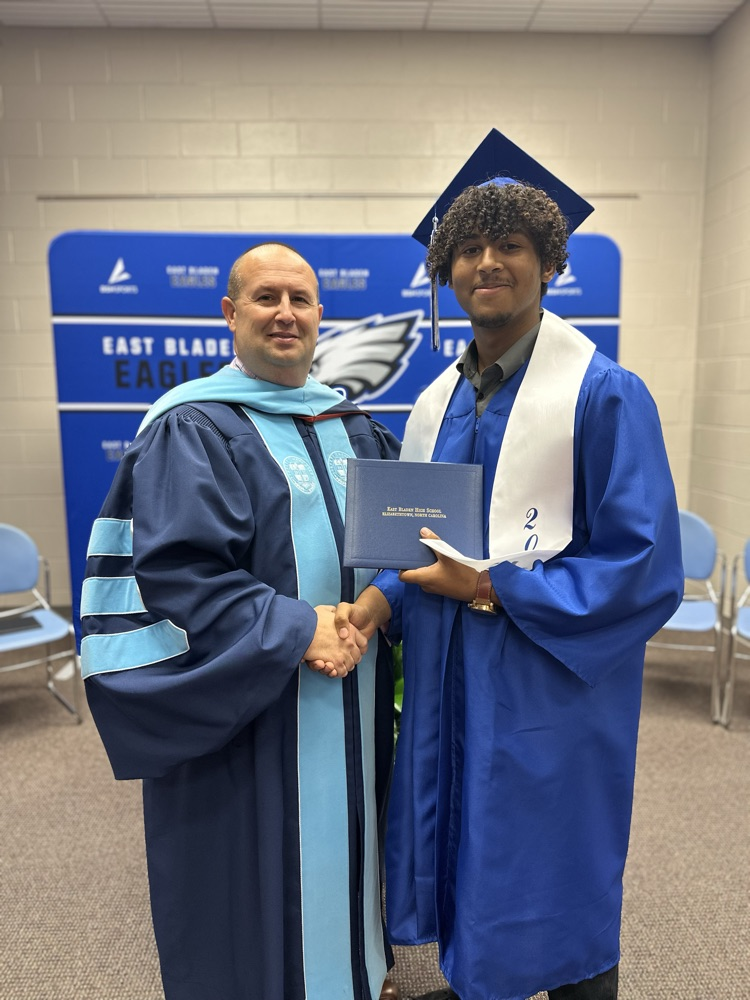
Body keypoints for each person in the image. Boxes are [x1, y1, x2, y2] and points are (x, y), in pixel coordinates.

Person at [333, 131, 684, 1000]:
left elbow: (643, 567)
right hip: (451, 674)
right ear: (446, 271)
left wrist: (491, 586)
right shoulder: (436, 402)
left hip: (551, 684)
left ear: (548, 263)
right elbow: (419, 545)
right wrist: (376, 605)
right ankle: (477, 974)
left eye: (511, 245)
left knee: (556, 854)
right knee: (466, 834)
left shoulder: (604, 394)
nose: (487, 261)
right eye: (468, 248)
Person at [79, 242, 403, 1000]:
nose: (285, 312)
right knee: (246, 874)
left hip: (352, 694)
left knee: (352, 845)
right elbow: (178, 570)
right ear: (230, 314)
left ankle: (356, 973)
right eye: (266, 298)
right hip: (252, 698)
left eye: (301, 298)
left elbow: (403, 544)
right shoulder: (191, 427)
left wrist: (379, 602)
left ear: (322, 315)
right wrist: (299, 629)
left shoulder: (356, 428)